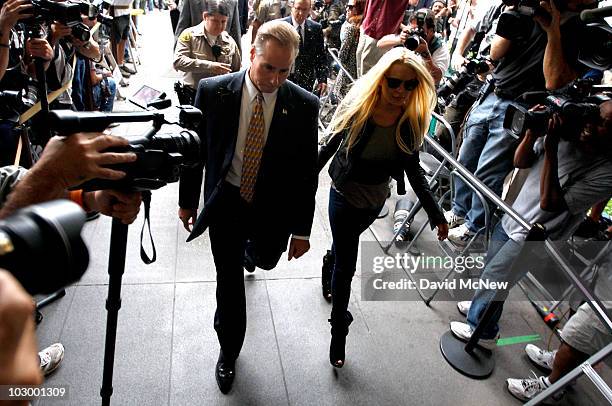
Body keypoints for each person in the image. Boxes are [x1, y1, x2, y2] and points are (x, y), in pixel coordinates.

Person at [177, 20, 319, 394]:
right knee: (229, 281)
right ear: (252, 52)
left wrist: (302, 230)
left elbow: (307, 173)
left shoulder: (304, 105)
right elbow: (195, 154)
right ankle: (228, 350)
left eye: (284, 70)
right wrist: (187, 201)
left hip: (271, 207)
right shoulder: (212, 91)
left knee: (266, 258)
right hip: (225, 200)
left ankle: (252, 253)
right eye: (268, 67)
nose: (275, 79)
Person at [317, 47, 449, 368]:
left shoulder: (410, 120)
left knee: (342, 247)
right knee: (348, 264)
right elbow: (330, 145)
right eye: (394, 83)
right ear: (381, 80)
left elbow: (414, 170)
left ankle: (329, 260)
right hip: (344, 192)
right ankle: (339, 329)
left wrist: (436, 214)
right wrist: (301, 183)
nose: (400, 91)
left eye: (409, 85)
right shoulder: (361, 107)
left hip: (374, 199)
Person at [450, 101, 612, 349]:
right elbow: (520, 161)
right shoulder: (566, 134)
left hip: (536, 235)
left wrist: (551, 148)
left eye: (605, 125)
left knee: (498, 278)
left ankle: (482, 332)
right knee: (492, 270)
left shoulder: (606, 171)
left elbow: (551, 203)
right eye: (595, 117)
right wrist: (531, 133)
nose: (592, 125)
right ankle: (480, 309)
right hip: (514, 212)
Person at [174, 0, 241, 103]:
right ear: (205, 16)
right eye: (215, 21)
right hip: (193, 96)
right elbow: (178, 62)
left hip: (219, 98)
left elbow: (236, 71)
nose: (219, 26)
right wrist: (209, 66)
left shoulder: (229, 41)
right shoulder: (189, 36)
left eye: (223, 22)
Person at [377, 9, 449, 85]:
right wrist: (400, 39)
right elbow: (380, 44)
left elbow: (436, 79)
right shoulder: (408, 36)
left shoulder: (439, 47)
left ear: (431, 30)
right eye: (414, 29)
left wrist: (425, 54)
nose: (416, 33)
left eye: (420, 30)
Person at [281, 0, 328, 94]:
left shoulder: (316, 28)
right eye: (298, 9)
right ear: (292, 7)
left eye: (305, 10)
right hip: (284, 80)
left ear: (309, 10)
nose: (301, 13)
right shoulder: (281, 26)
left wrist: (322, 79)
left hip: (306, 82)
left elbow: (321, 56)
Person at [174, 0, 242, 55]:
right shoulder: (191, 2)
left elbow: (235, 31)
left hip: (222, 57)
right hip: (196, 56)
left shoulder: (232, 2)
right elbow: (182, 27)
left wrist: (239, 56)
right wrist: (176, 53)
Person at [332, 0, 364, 100]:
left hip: (347, 74)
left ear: (358, 9)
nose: (347, 9)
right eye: (347, 6)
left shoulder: (351, 28)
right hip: (358, 74)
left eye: (351, 7)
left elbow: (343, 55)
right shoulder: (364, 26)